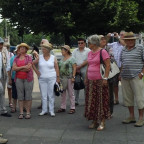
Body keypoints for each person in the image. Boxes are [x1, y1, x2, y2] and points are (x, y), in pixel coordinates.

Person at [85, 34, 111, 131]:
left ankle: (102, 121)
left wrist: (105, 78)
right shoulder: (90, 52)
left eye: (89, 43)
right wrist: (86, 77)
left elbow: (108, 66)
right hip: (91, 80)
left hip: (100, 80)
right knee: (92, 101)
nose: (88, 44)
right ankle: (94, 121)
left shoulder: (102, 52)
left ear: (94, 43)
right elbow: (89, 65)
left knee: (101, 101)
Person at [120, 32, 144, 127]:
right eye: (127, 40)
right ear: (125, 41)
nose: (130, 41)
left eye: (131, 40)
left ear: (134, 40)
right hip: (125, 77)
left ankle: (141, 118)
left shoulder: (140, 48)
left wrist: (142, 73)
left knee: (139, 98)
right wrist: (120, 74)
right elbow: (123, 62)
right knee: (128, 98)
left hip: (136, 76)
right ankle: (131, 116)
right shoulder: (123, 49)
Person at [33, 43, 60, 117]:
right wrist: (36, 71)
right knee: (43, 95)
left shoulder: (53, 57)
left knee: (51, 95)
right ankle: (44, 110)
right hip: (42, 78)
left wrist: (58, 77)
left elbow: (56, 67)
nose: (42, 50)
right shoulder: (40, 57)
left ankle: (51, 110)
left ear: (48, 50)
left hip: (52, 78)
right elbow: (32, 63)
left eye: (44, 49)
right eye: (42, 49)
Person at [12, 43, 33, 119]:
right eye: (20, 48)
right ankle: (21, 112)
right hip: (18, 79)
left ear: (26, 49)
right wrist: (23, 67)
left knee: (28, 96)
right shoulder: (16, 58)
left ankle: (28, 112)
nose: (21, 49)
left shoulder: (29, 57)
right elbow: (14, 68)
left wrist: (19, 68)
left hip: (28, 79)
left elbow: (28, 68)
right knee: (20, 96)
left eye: (23, 48)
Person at [57, 45, 76, 114]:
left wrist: (73, 77)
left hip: (69, 77)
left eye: (62, 50)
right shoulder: (62, 59)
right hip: (62, 78)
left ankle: (72, 107)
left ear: (67, 51)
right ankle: (63, 107)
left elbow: (74, 68)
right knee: (63, 93)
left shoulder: (72, 58)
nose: (61, 52)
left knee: (71, 93)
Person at [107, 31, 125, 104]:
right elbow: (104, 44)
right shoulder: (114, 44)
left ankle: (126, 100)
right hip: (115, 67)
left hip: (123, 67)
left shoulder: (126, 44)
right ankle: (116, 99)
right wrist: (107, 37)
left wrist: (118, 37)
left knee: (125, 85)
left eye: (122, 35)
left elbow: (124, 44)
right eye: (120, 35)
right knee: (115, 84)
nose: (120, 36)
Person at [72, 38, 90, 105]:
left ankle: (87, 100)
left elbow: (88, 60)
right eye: (79, 43)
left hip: (85, 69)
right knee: (76, 84)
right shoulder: (75, 51)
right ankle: (75, 101)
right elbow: (72, 59)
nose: (80, 44)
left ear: (85, 43)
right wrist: (76, 68)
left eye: (82, 43)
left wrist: (80, 66)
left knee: (86, 84)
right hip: (76, 69)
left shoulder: (88, 51)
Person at [99, 35, 114, 117]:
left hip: (108, 74)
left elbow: (111, 59)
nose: (103, 40)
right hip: (98, 74)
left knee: (109, 93)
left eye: (104, 38)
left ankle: (109, 111)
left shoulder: (108, 49)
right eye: (101, 39)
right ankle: (101, 111)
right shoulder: (95, 49)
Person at [0, 37, 11, 117]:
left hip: (2, 75)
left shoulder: (2, 52)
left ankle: (3, 110)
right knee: (1, 91)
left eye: (1, 44)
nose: (0, 46)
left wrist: (7, 71)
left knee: (2, 92)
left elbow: (7, 62)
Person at [10, 46, 20, 113]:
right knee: (14, 93)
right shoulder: (13, 58)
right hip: (14, 77)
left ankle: (24, 106)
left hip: (23, 78)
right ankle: (14, 107)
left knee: (23, 93)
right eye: (18, 51)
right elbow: (10, 69)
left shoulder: (25, 57)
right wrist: (10, 78)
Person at [4, 43, 14, 108]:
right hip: (2, 73)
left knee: (9, 88)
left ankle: (10, 101)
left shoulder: (11, 54)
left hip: (9, 73)